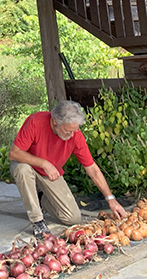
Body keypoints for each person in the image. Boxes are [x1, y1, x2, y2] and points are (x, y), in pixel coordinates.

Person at [9, 100, 126, 239]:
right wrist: (44, 163)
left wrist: (110, 198)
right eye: (68, 130)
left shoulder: (75, 135)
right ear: (55, 122)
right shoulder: (36, 122)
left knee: (72, 218)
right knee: (22, 169)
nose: (72, 135)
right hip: (29, 166)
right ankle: (37, 221)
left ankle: (40, 198)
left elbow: (92, 168)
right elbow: (14, 153)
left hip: (50, 174)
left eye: (75, 130)